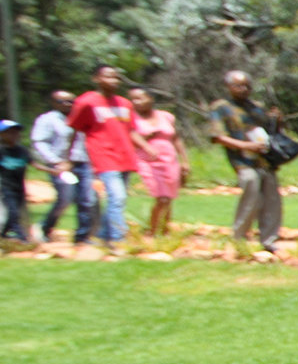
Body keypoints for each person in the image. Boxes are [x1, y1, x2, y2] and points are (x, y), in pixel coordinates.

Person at [208, 70, 285, 252]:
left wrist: (277, 120)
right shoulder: (221, 107)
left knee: (272, 200)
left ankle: (269, 240)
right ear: (229, 86)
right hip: (242, 160)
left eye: (247, 86)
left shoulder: (256, 107)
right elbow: (218, 136)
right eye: (238, 85)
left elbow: (270, 131)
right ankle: (239, 237)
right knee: (251, 192)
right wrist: (246, 146)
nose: (243, 89)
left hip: (265, 160)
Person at [67, 64, 140, 248]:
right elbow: (74, 129)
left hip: (124, 156)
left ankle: (103, 235)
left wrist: (147, 148)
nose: (113, 81)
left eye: (116, 77)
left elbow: (131, 130)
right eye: (108, 76)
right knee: (117, 197)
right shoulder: (87, 102)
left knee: (117, 199)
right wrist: (68, 157)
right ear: (96, 79)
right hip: (103, 156)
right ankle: (117, 238)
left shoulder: (125, 104)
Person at [30, 89, 91, 245]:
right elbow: (40, 143)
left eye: (71, 101)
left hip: (82, 162)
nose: (68, 104)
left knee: (86, 199)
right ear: (53, 103)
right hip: (60, 165)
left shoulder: (83, 118)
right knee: (66, 198)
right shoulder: (47, 120)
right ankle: (45, 227)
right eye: (62, 101)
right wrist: (55, 161)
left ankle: (82, 236)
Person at [127, 88, 184, 238]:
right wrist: (146, 143)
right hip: (147, 160)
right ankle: (152, 232)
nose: (136, 102)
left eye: (140, 98)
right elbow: (130, 138)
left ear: (150, 99)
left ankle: (165, 231)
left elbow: (176, 138)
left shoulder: (166, 116)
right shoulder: (131, 119)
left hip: (169, 159)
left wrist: (185, 161)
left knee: (168, 198)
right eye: (132, 99)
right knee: (162, 197)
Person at [0, 118, 31, 240]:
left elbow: (34, 164)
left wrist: (54, 171)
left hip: (20, 188)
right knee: (14, 212)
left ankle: (2, 234)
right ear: (1, 135)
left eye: (16, 132)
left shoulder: (22, 151)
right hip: (6, 187)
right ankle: (21, 237)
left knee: (14, 213)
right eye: (9, 132)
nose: (14, 135)